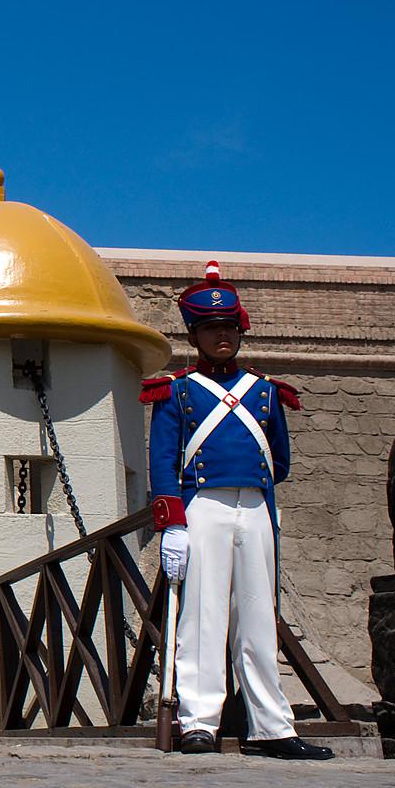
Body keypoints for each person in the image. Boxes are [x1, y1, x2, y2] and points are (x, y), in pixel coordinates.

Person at [145, 262, 332, 760]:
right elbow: (162, 462)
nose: (221, 337)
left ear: (240, 331)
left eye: (228, 327)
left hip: (255, 507)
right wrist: (173, 525)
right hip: (203, 506)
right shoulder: (177, 391)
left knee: (258, 617)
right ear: (195, 336)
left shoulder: (266, 392)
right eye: (211, 329)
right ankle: (198, 723)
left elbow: (279, 462)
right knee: (201, 617)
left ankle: (272, 726)